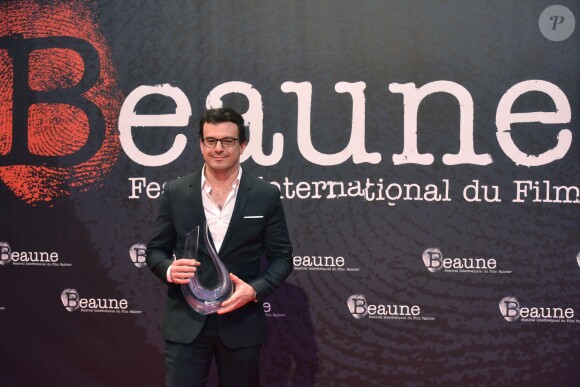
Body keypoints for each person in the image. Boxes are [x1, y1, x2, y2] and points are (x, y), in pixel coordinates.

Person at [146, 107, 293, 387]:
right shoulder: (175, 192)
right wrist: (168, 269)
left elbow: (282, 258)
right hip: (186, 324)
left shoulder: (265, 194)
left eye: (227, 141)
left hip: (241, 323)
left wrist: (254, 290)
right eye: (211, 140)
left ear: (242, 145)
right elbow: (155, 251)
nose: (218, 148)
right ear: (201, 144)